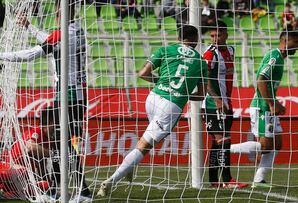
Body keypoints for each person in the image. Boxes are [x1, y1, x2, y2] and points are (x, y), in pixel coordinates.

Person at [96, 24, 208, 197]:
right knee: (144, 145)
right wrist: (183, 94)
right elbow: (201, 96)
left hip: (153, 98)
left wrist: (160, 82)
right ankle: (111, 180)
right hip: (171, 105)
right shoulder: (201, 62)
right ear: (196, 40)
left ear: (179, 38)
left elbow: (143, 73)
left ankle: (129, 166)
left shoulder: (165, 50)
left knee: (146, 142)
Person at [0, 0, 91, 202]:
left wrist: (2, 55)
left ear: (61, 11)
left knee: (62, 145)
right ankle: (67, 191)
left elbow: (32, 54)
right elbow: (52, 40)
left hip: (68, 96)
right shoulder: (77, 31)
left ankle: (70, 192)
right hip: (76, 95)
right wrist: (30, 27)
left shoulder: (64, 34)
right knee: (62, 145)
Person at [230, 31, 298, 188]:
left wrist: (274, 102)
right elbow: (261, 80)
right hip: (261, 107)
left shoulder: (280, 59)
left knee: (277, 143)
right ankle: (224, 149)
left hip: (268, 106)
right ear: (286, 41)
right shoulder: (274, 57)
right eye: (295, 42)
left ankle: (259, 179)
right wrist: (271, 103)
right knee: (266, 145)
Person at [202, 21, 248, 189]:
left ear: (226, 34)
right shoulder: (209, 54)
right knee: (223, 139)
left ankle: (214, 180)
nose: (214, 39)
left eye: (218, 35)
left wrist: (224, 100)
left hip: (226, 102)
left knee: (217, 141)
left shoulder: (231, 50)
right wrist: (216, 99)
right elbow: (203, 79)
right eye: (212, 36)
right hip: (212, 103)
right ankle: (227, 179)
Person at [0, 108, 56, 200]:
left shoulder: (49, 139)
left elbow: (42, 166)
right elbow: (30, 147)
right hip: (7, 169)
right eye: (56, 123)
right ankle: (9, 191)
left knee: (45, 186)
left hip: (19, 176)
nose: (58, 126)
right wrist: (53, 154)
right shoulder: (37, 131)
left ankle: (8, 192)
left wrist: (48, 184)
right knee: (24, 173)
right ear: (49, 122)